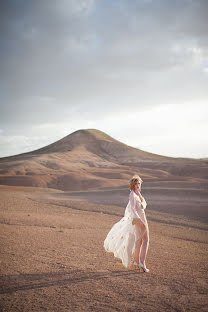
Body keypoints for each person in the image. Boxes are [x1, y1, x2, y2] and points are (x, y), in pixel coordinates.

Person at [103, 175, 150, 272]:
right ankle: (142, 263)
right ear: (133, 185)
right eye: (136, 183)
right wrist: (140, 221)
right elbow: (133, 208)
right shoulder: (132, 194)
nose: (138, 185)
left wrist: (140, 195)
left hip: (140, 218)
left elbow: (144, 205)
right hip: (138, 220)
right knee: (146, 240)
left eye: (139, 183)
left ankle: (137, 262)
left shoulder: (137, 194)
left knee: (140, 241)